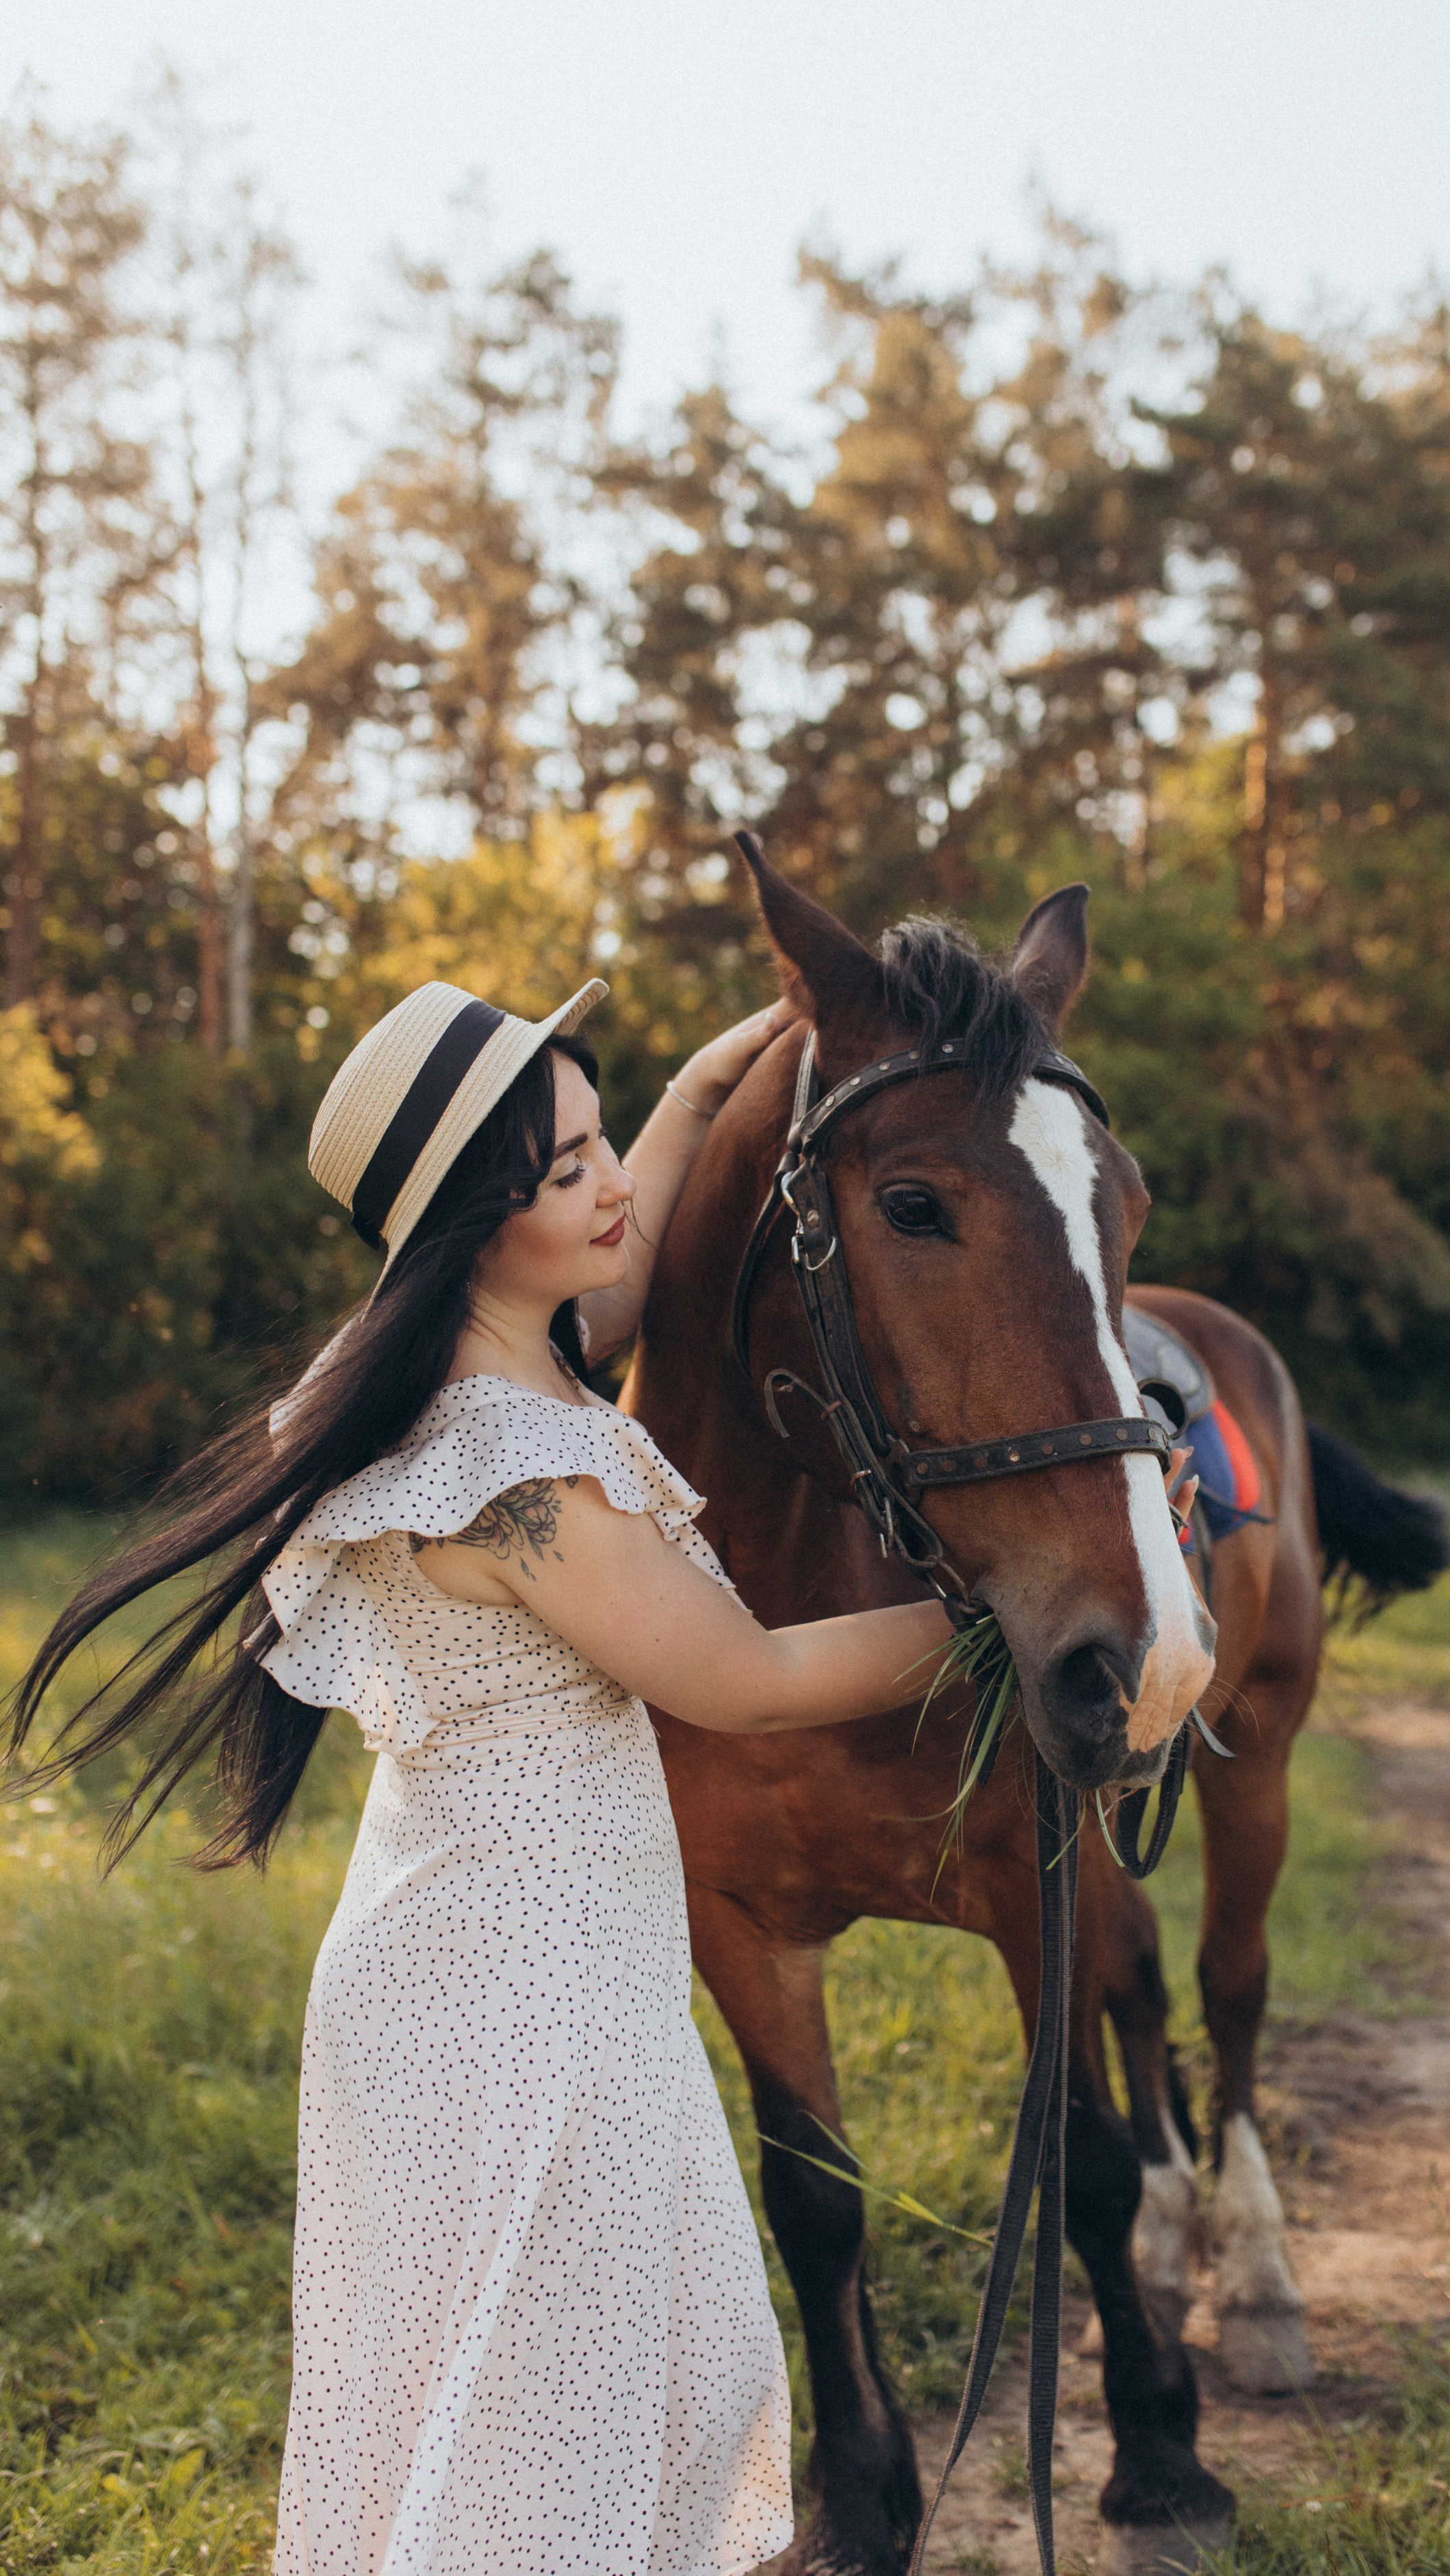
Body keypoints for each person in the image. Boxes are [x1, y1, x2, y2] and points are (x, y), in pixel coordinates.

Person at [5, 973, 957, 2576]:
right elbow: (749, 1678)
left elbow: (625, 1242)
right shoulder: (515, 1475)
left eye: (594, 1145)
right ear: (469, 1225)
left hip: (460, 1969)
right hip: (532, 2003)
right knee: (563, 2411)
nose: (603, 1190)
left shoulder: (459, 1366)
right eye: (555, 1173)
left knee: (521, 2387)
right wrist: (989, 1624)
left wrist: (709, 1078)